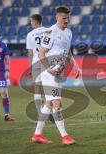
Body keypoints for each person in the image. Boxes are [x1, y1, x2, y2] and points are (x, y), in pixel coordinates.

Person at [31, 6, 80, 145]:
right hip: (48, 72)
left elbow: (67, 51)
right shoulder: (50, 32)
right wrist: (50, 69)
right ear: (57, 17)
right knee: (57, 102)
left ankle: (37, 134)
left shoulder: (69, 32)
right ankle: (65, 136)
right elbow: (41, 53)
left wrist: (75, 64)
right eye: (64, 18)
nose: (66, 21)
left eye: (68, 18)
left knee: (48, 103)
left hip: (58, 71)